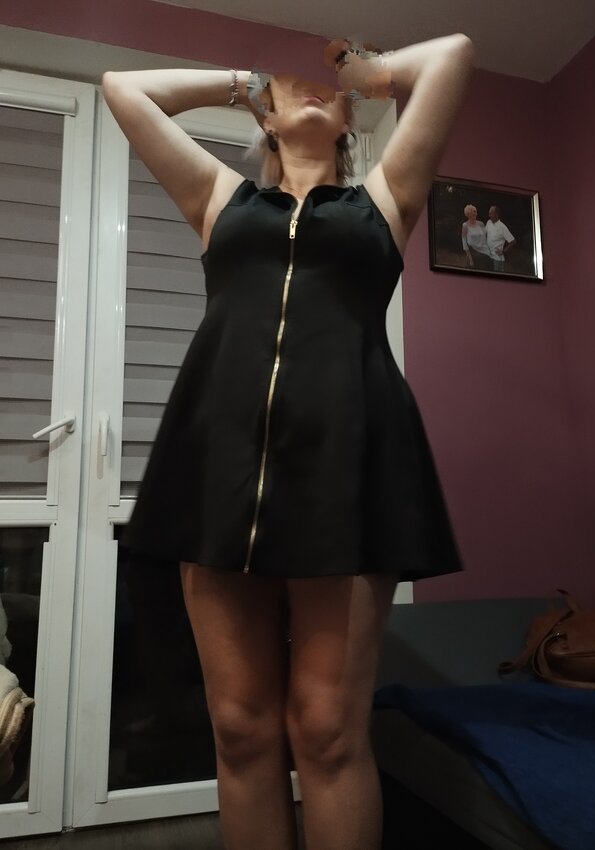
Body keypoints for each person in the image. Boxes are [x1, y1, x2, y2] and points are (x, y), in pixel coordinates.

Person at [102, 31, 474, 850]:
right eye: (289, 90)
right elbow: (123, 88)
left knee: (328, 729)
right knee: (239, 727)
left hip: (348, 472)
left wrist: (366, 74)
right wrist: (247, 82)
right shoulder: (221, 200)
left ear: (349, 124)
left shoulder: (383, 202)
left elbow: (452, 54)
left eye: (326, 93)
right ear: (264, 122)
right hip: (218, 472)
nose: (309, 88)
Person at [461, 203, 492, 270]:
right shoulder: (465, 226)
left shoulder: (481, 224)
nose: (476, 214)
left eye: (476, 212)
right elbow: (464, 243)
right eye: (474, 211)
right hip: (473, 254)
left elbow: (486, 239)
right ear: (469, 213)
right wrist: (470, 259)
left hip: (486, 253)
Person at [485, 204, 516, 271]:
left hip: (497, 259)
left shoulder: (502, 227)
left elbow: (513, 241)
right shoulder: (488, 222)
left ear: (496, 214)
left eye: (491, 213)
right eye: (489, 213)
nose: (489, 215)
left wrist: (503, 251)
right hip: (488, 256)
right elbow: (485, 234)